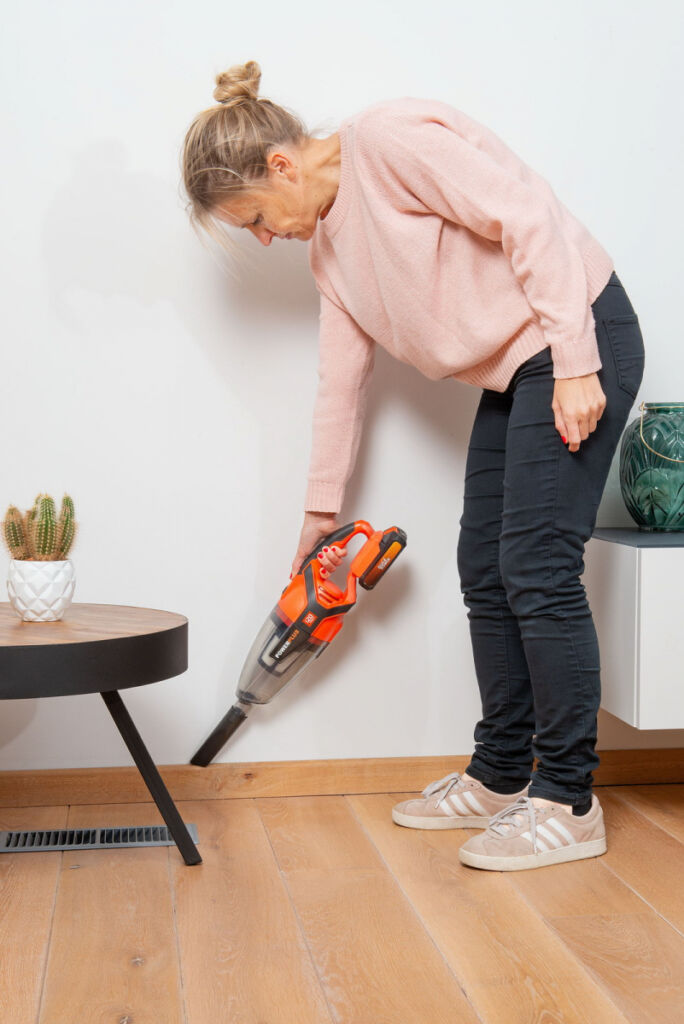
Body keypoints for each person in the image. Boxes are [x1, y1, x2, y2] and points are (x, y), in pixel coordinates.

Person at [181, 60, 645, 871]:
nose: (264, 237)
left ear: (281, 166)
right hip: (516, 369)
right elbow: (341, 386)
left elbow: (526, 214)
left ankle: (569, 800)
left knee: (537, 566)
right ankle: (501, 773)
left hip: (575, 333)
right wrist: (318, 518)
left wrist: (578, 361)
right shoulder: (330, 258)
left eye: (254, 216)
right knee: (485, 567)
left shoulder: (388, 140)